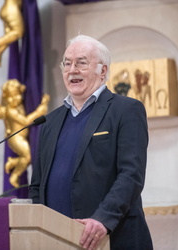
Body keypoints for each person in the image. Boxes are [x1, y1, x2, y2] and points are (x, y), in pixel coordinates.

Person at [29, 35, 153, 250]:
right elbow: (37, 186)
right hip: (57, 240)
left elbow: (131, 175)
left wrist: (102, 219)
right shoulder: (50, 121)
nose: (72, 69)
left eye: (81, 62)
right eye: (67, 63)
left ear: (102, 71)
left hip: (113, 239)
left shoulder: (126, 110)